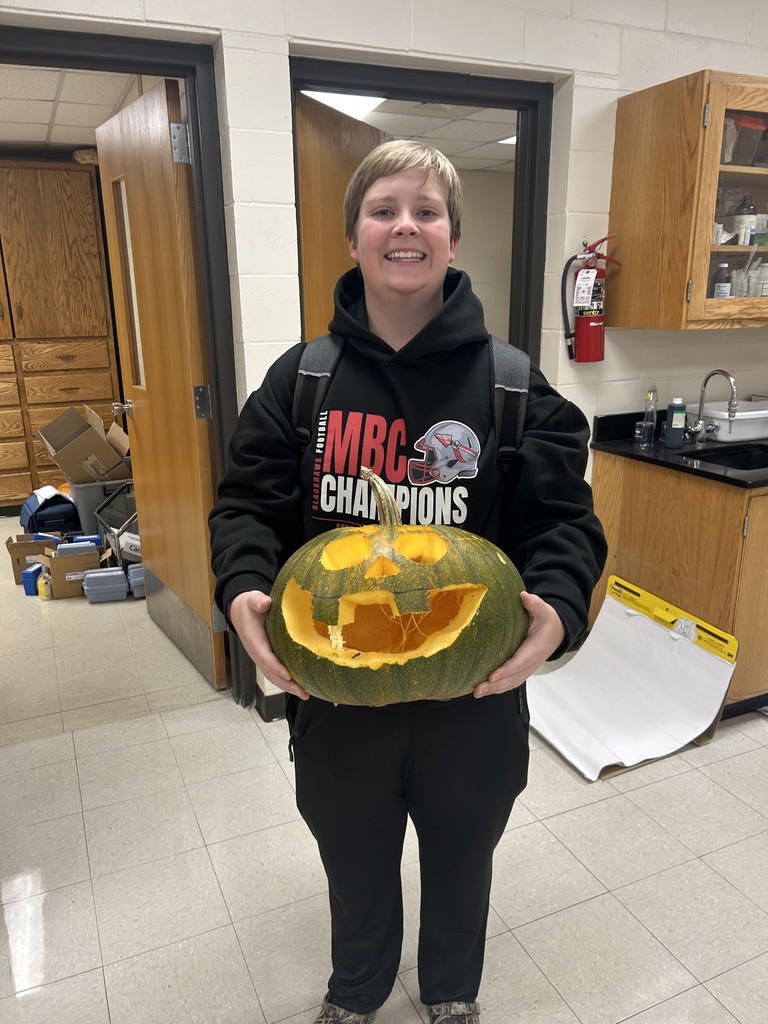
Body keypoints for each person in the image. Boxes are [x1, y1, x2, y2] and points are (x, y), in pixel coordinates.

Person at [209, 140, 606, 1024]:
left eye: (427, 212)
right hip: (336, 693)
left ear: (452, 240)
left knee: (465, 855)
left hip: (473, 698)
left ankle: (452, 994)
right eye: (384, 208)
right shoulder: (300, 380)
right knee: (352, 858)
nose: (405, 226)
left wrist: (561, 609)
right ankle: (355, 995)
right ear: (353, 236)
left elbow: (562, 522)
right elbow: (245, 508)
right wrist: (242, 585)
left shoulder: (511, 385)